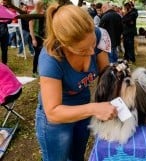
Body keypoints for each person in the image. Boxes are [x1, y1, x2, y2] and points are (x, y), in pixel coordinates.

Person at [35, 3, 117, 161]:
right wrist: (94, 108)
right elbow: (52, 112)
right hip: (57, 120)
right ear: (65, 45)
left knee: (77, 157)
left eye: (92, 44)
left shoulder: (97, 35)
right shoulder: (51, 59)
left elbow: (105, 74)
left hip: (83, 107)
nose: (92, 52)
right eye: (82, 50)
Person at [29, 0, 45, 77]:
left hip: (43, 36)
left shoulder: (43, 12)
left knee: (43, 54)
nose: (43, 6)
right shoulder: (33, 13)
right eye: (42, 5)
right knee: (37, 54)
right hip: (36, 36)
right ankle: (34, 71)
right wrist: (33, 39)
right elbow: (31, 27)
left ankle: (41, 70)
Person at [0, 0, 13, 64]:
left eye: (4, 2)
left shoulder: (6, 10)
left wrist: (5, 20)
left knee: (5, 50)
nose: (3, 3)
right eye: (1, 2)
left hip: (5, 33)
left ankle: (4, 64)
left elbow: (10, 20)